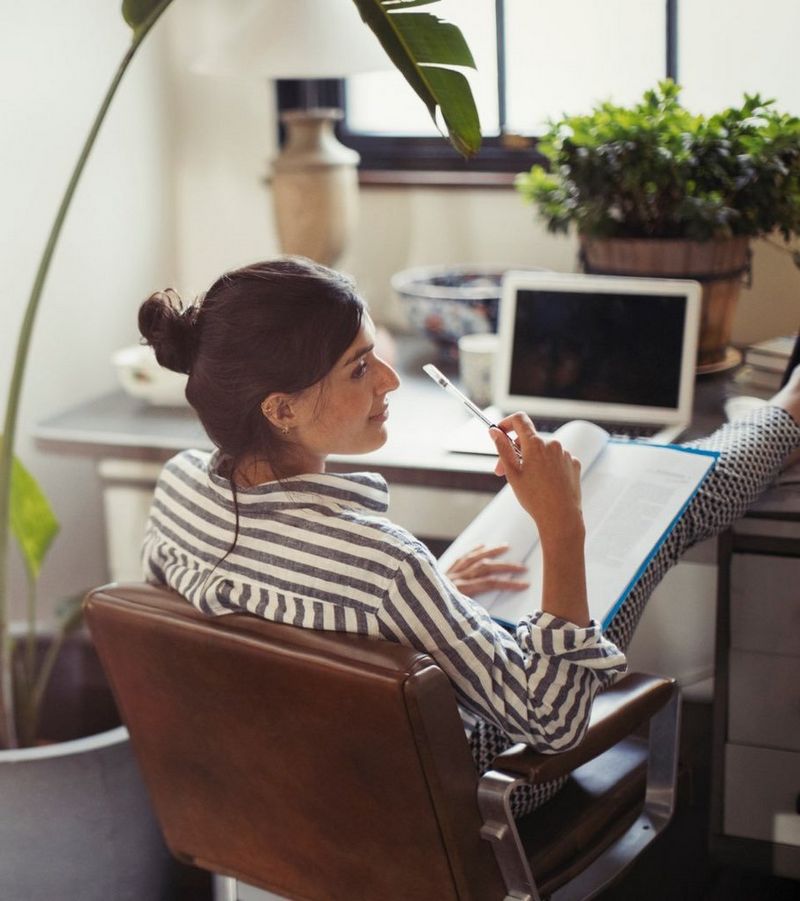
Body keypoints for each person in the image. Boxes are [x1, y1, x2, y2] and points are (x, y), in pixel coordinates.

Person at [139, 257, 800, 818]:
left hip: (285, 796)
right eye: (359, 368)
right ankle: (786, 411)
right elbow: (553, 723)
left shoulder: (177, 490)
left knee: (610, 514)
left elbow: (260, 622)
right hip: (446, 799)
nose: (390, 381)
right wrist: (562, 527)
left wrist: (405, 609)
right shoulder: (384, 568)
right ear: (279, 409)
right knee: (666, 510)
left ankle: (771, 422)